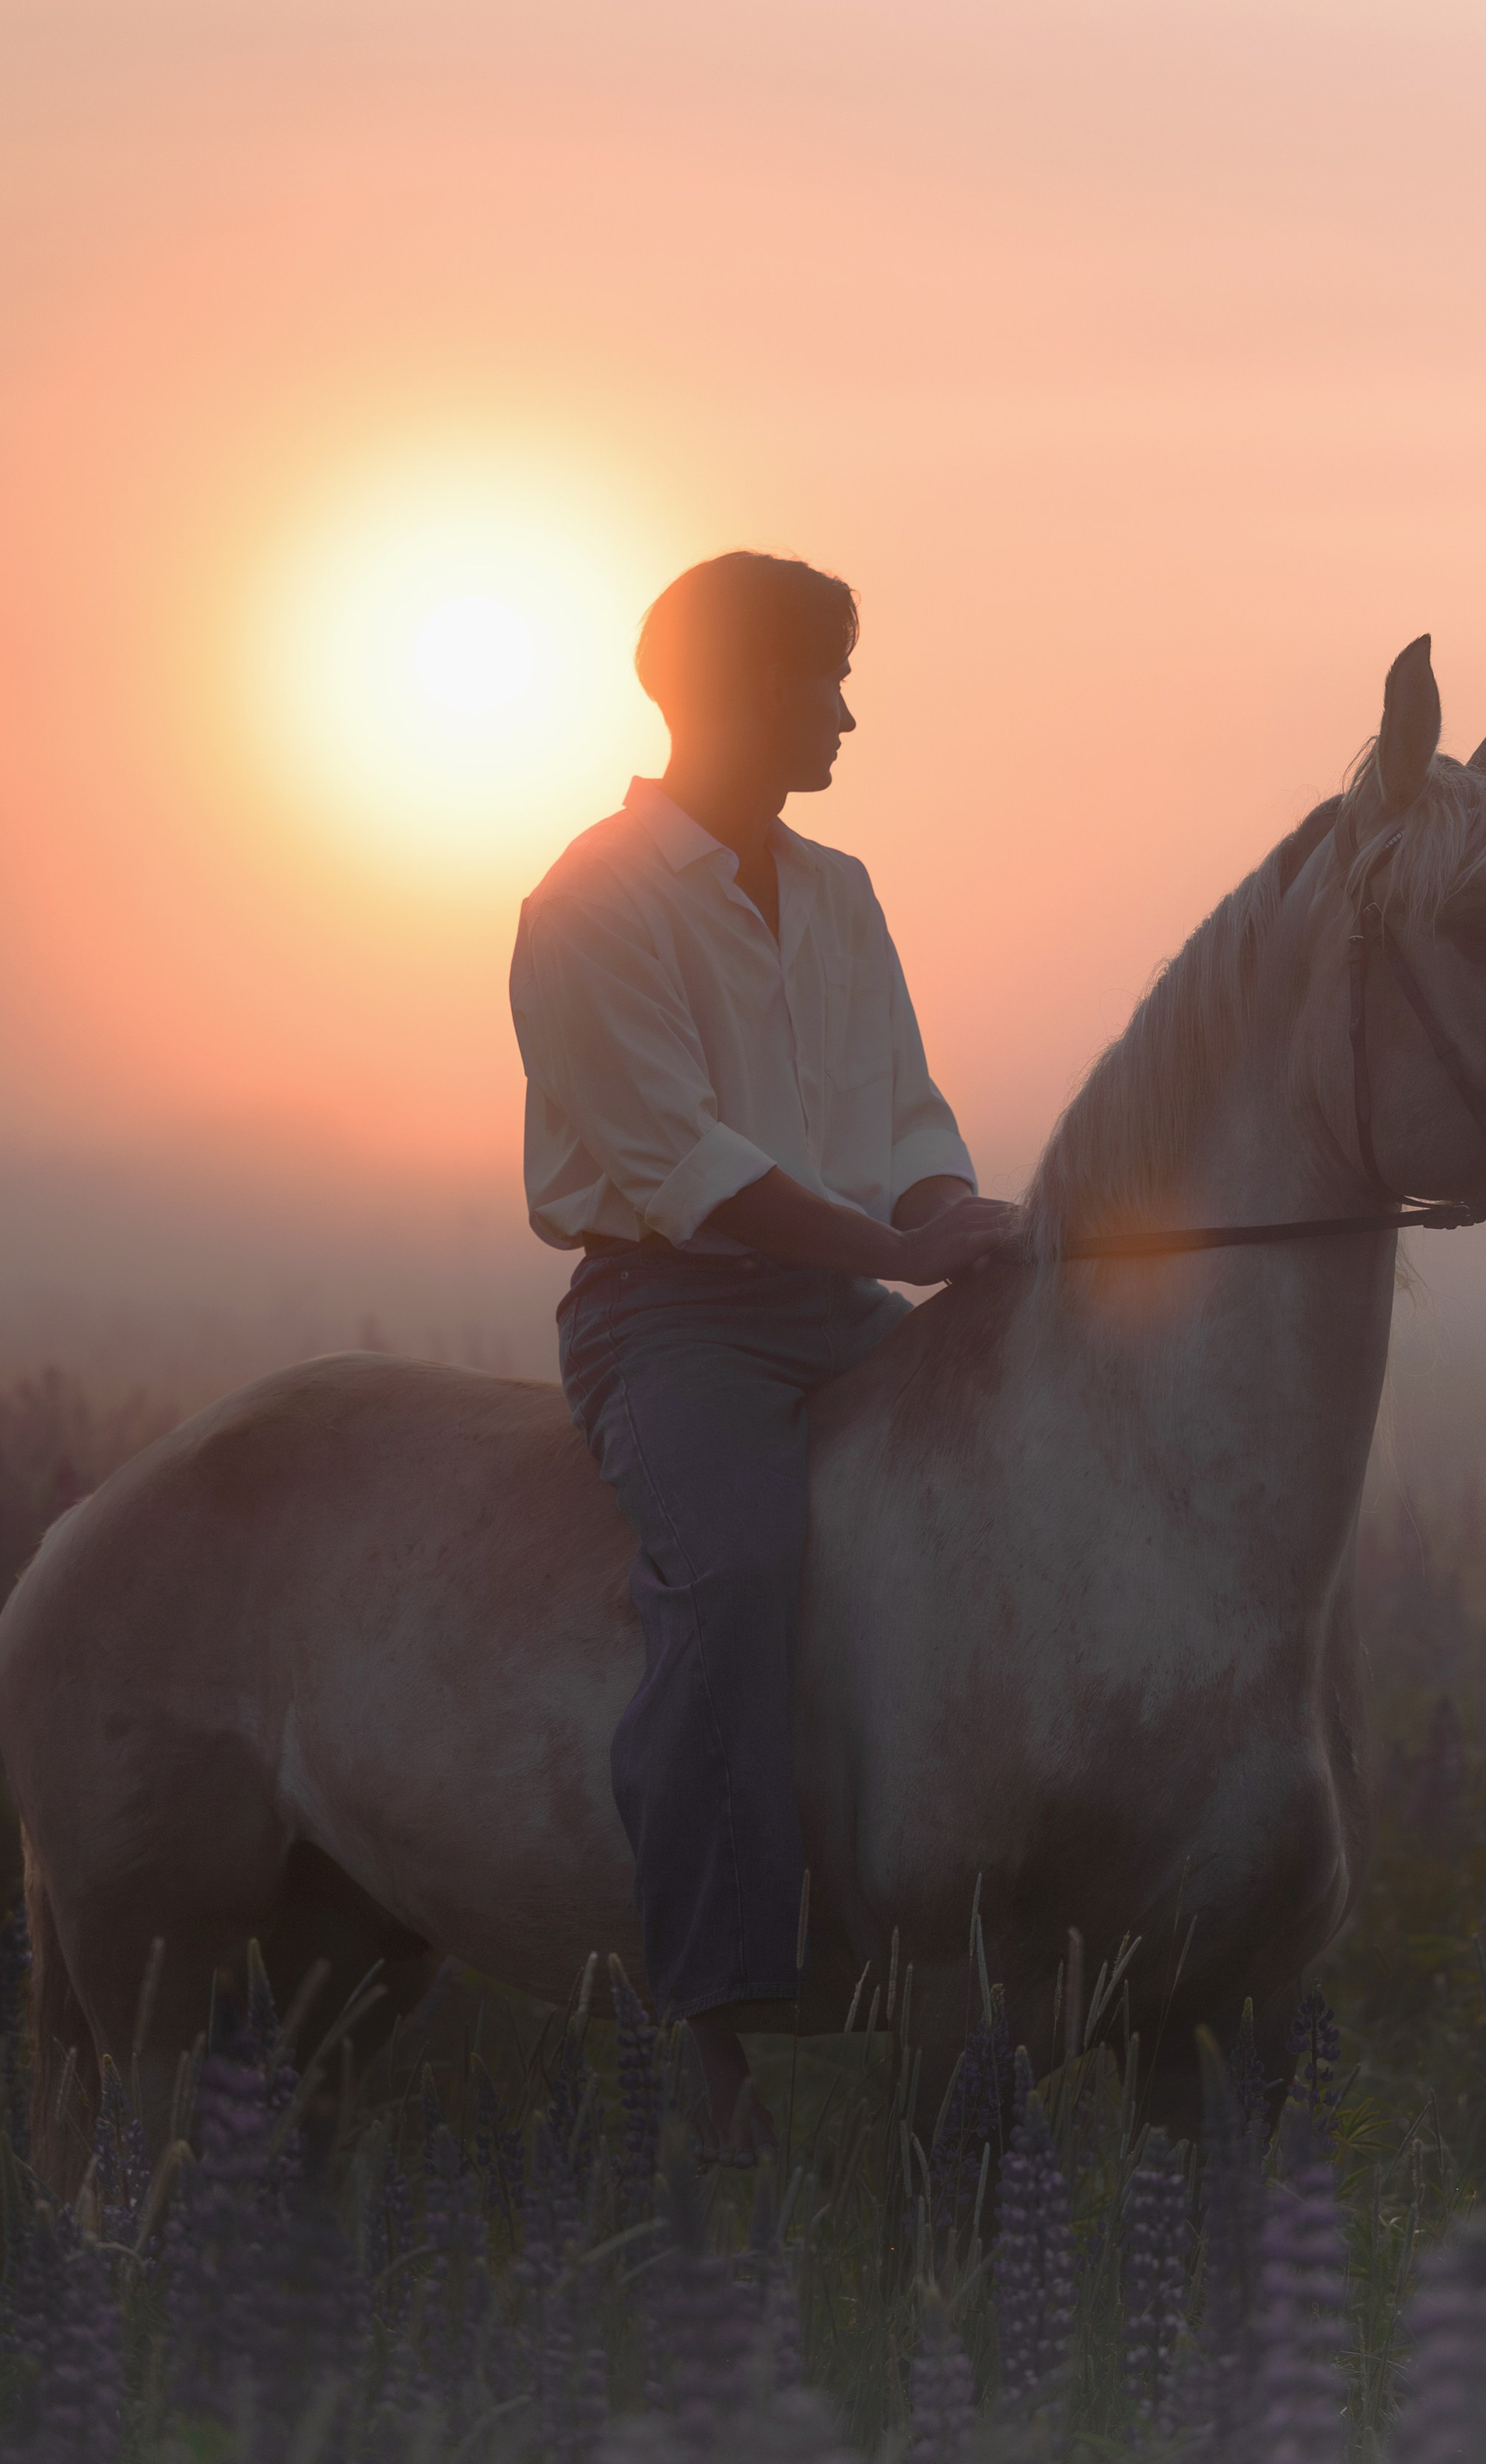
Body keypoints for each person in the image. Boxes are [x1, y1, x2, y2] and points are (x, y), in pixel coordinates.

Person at [509, 551, 1017, 2149]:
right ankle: (708, 2015)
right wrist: (896, 1248)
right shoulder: (588, 903)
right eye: (823, 677)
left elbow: (902, 1111)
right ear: (731, 692)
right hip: (672, 1314)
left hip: (837, 1298)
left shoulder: (842, 890)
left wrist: (961, 1208)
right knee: (727, 1577)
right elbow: (681, 1166)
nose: (848, 711)